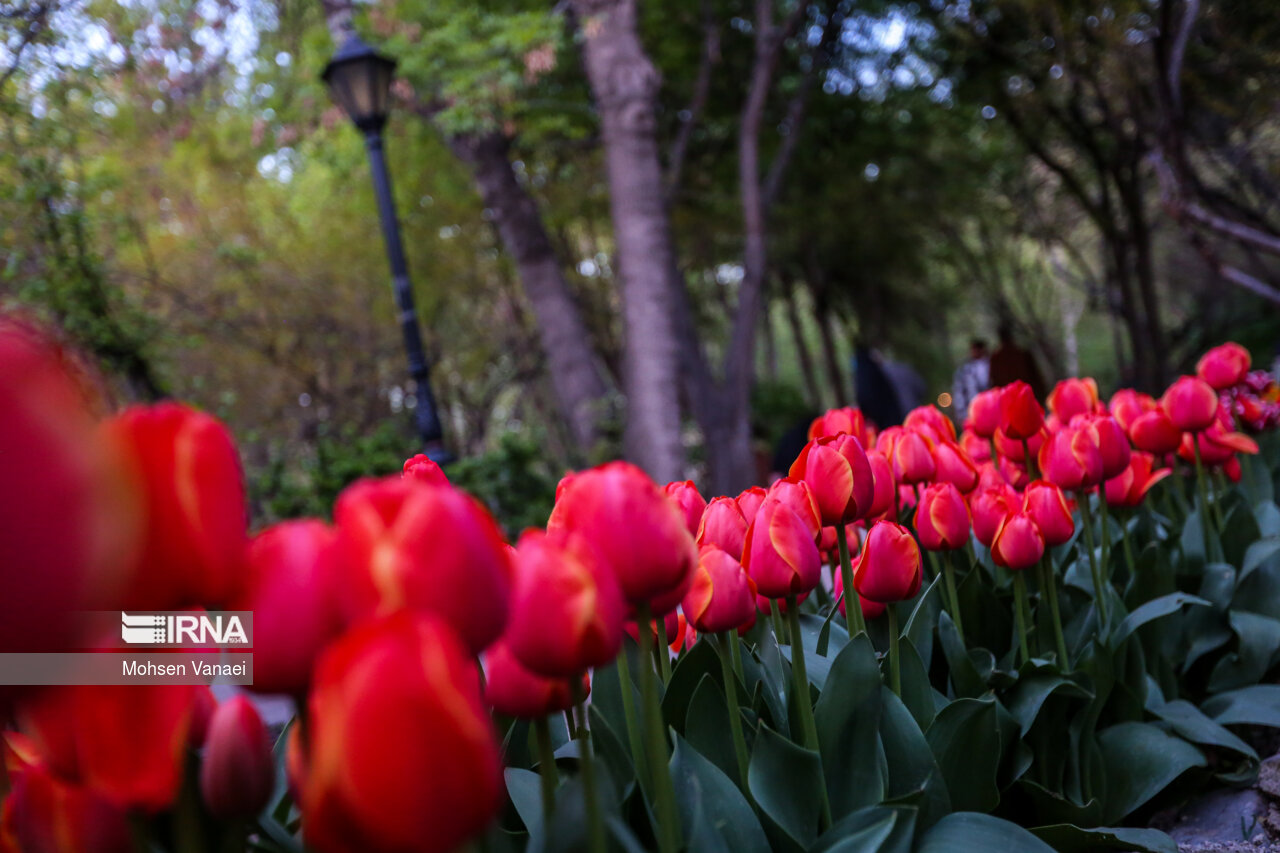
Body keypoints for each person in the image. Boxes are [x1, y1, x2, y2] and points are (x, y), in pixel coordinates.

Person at [853, 343, 905, 429]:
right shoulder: (875, 371)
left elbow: (864, 398)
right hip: (891, 415)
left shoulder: (863, 376)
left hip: (880, 420)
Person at [988, 323, 1047, 399]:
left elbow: (994, 383)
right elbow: (1036, 377)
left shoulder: (996, 358)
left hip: (1008, 398)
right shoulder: (1022, 353)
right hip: (1024, 395)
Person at [951, 338, 990, 422]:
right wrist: (961, 412)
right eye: (974, 349)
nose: (975, 351)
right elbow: (958, 391)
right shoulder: (964, 370)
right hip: (971, 411)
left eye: (978, 349)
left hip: (990, 409)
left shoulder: (991, 366)